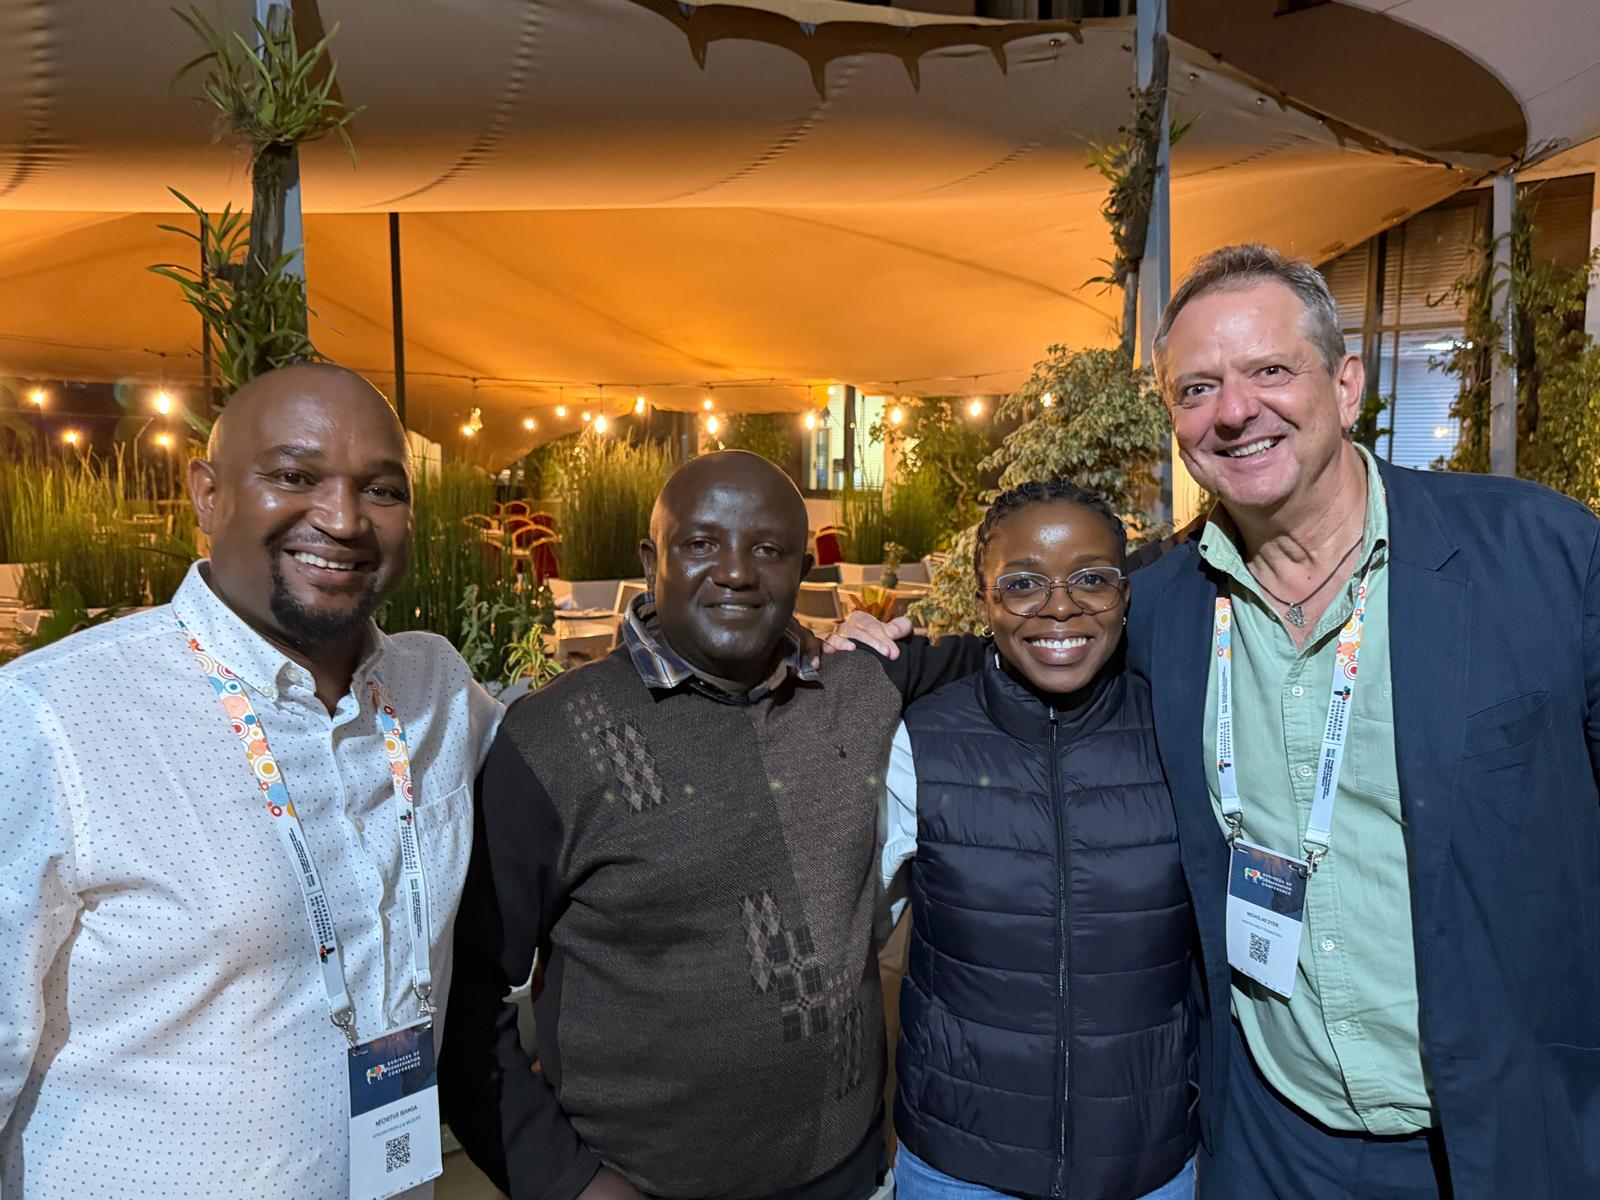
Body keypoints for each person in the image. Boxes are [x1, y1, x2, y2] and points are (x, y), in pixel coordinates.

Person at [1128, 242, 1600, 1197]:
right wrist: (867, 652)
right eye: (1198, 389)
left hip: (1507, 1130)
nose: (1234, 411)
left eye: (1270, 370)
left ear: (1347, 388)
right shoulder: (1164, 608)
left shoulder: (1540, 554)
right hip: (1272, 1135)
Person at [0, 363, 500, 1199]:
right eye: (295, 477)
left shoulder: (435, 690)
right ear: (206, 493)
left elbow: (567, 767)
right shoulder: (50, 717)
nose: (342, 519)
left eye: (381, 490)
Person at [439, 450, 977, 1200]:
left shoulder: (859, 682)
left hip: (848, 1172)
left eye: (769, 549)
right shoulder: (552, 740)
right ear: (650, 560)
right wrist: (567, 1182)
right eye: (700, 543)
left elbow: (1034, 648)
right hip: (640, 1183)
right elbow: (461, 1004)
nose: (735, 572)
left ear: (803, 570)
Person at [879, 478, 1197, 1200]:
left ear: (1126, 593)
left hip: (1146, 1165)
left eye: (1092, 579)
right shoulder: (920, 739)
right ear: (983, 599)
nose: (1060, 607)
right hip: (960, 1167)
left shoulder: (1180, 730)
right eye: (1022, 583)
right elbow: (857, 934)